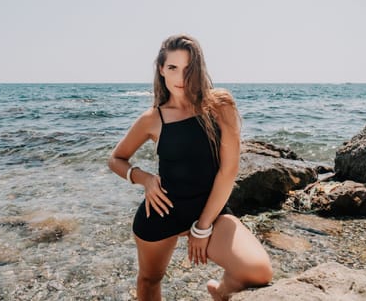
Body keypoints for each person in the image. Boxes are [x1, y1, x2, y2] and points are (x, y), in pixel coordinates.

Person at [108, 34, 272, 300]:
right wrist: (145, 179)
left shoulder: (220, 105)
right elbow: (116, 159)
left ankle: (221, 291)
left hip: (211, 211)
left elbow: (228, 171)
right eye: (172, 67)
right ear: (161, 69)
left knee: (258, 271)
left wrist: (203, 226)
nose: (180, 77)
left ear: (199, 69)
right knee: (150, 280)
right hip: (162, 211)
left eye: (188, 68)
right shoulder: (152, 119)